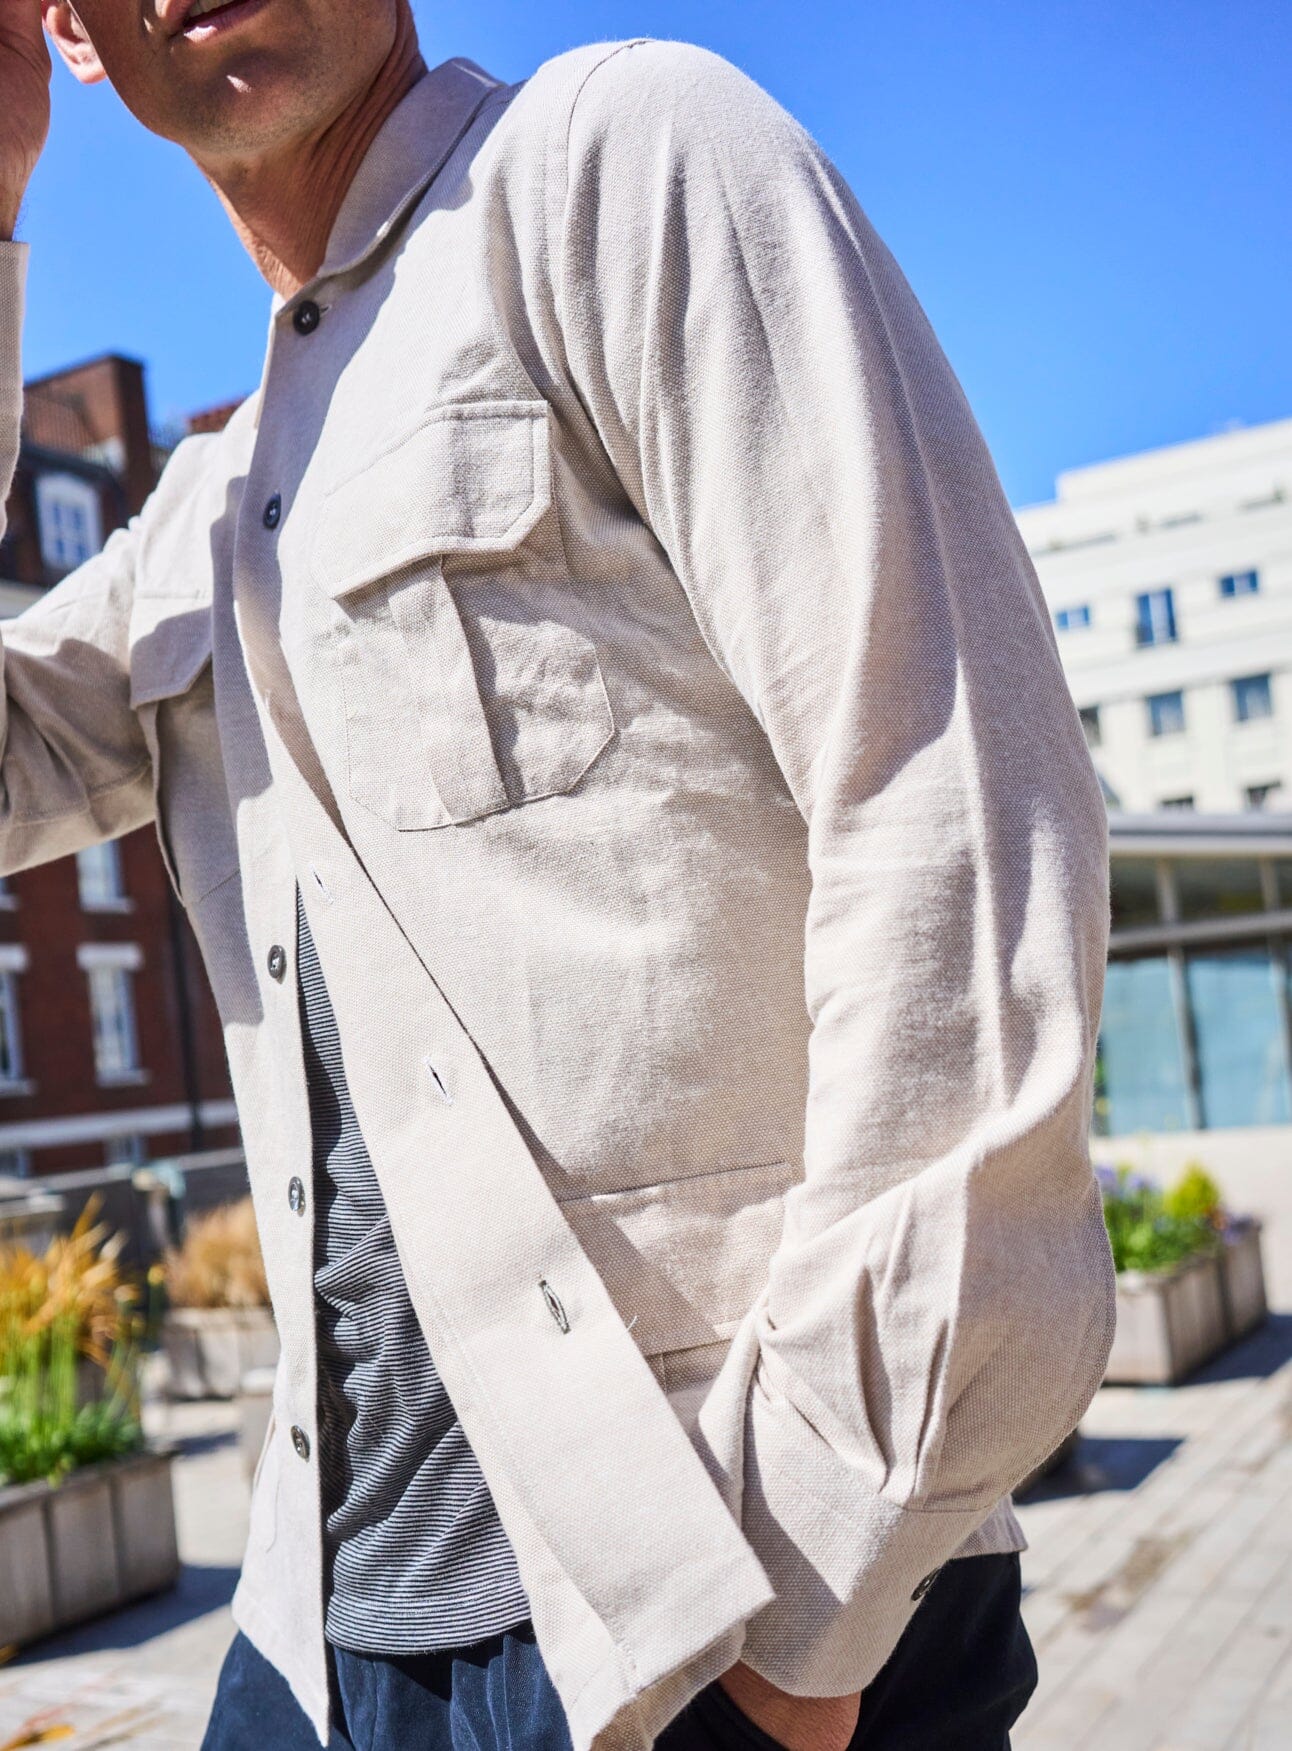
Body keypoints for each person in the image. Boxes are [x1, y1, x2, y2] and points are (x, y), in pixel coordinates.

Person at [0, 4, 1115, 1748]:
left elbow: (950, 803)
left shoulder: (617, 158)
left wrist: (810, 1600)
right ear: (64, 32)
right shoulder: (206, 512)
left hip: (709, 1603)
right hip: (320, 1633)